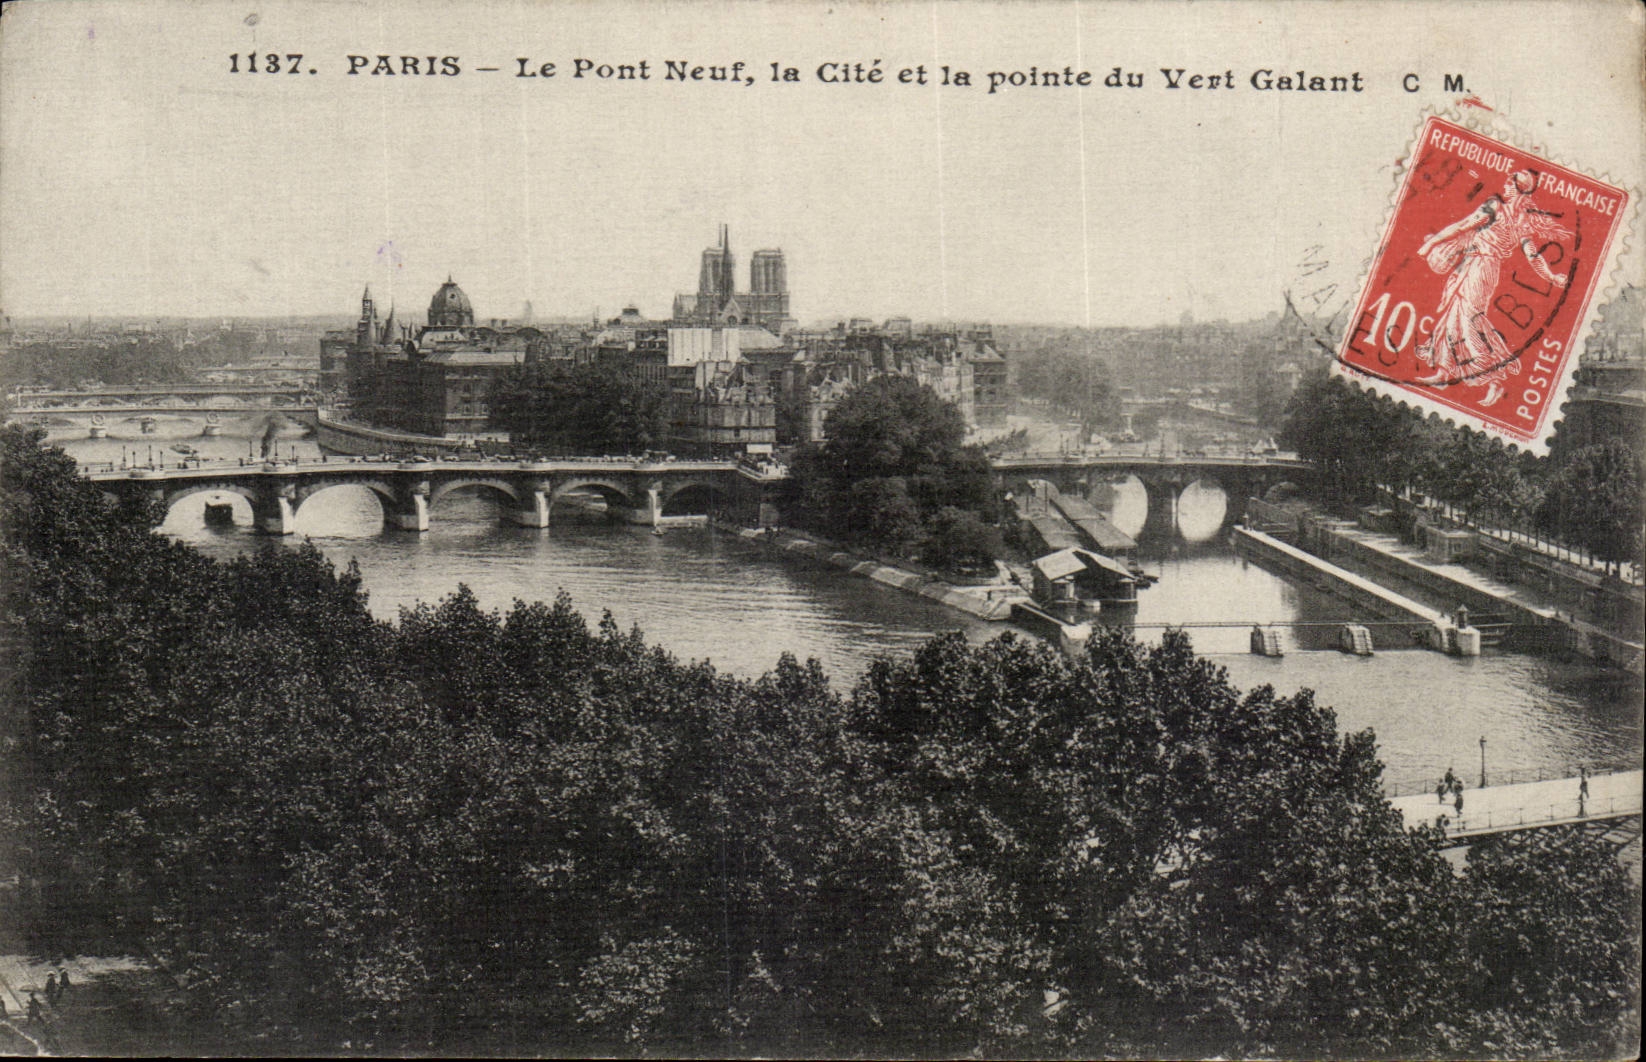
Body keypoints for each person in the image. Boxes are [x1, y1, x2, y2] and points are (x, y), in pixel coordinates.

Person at [1413, 169, 1573, 407]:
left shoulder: (1495, 207)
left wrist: (1431, 244)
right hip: (1483, 267)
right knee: (1454, 315)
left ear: (1517, 189)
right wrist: (1551, 276)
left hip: (1480, 267)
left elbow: (1463, 225)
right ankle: (1445, 373)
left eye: (1509, 183)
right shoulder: (1522, 221)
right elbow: (1533, 255)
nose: (1505, 186)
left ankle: (1494, 379)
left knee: (1469, 320)